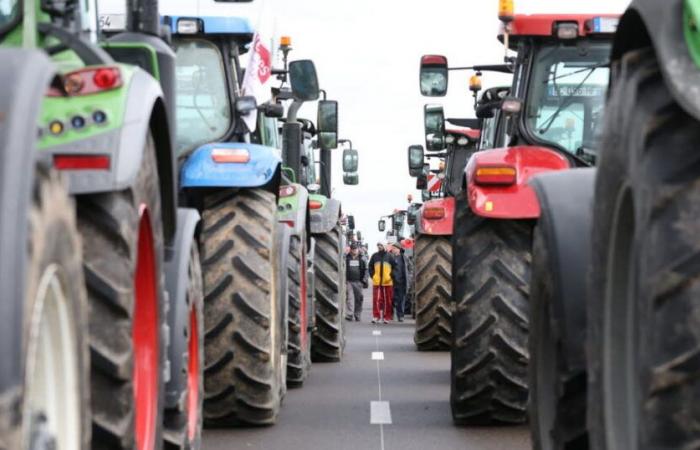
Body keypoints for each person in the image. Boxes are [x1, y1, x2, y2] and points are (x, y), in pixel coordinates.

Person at [369, 242, 396, 324]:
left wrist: (391, 276)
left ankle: (386, 317)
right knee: (376, 300)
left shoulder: (390, 256)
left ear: (384, 246)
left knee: (388, 300)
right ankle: (376, 316)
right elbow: (370, 266)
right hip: (377, 282)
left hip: (387, 282)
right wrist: (373, 276)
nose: (379, 247)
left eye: (380, 245)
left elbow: (395, 267)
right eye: (378, 246)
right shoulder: (374, 256)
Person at [345, 243, 368, 321]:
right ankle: (350, 314)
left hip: (359, 281)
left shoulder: (362, 258)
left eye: (355, 249)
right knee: (349, 298)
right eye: (353, 249)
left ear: (358, 250)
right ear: (350, 250)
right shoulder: (346, 258)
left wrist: (364, 280)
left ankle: (357, 314)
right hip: (349, 281)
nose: (354, 251)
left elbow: (366, 270)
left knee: (359, 299)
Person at [390, 242, 410, 322]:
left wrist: (409, 277)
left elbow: (410, 268)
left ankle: (400, 316)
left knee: (401, 300)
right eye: (393, 248)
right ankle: (390, 314)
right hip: (392, 282)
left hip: (401, 282)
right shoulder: (390, 257)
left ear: (398, 249)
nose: (393, 250)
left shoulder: (404, 258)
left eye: (395, 248)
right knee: (391, 299)